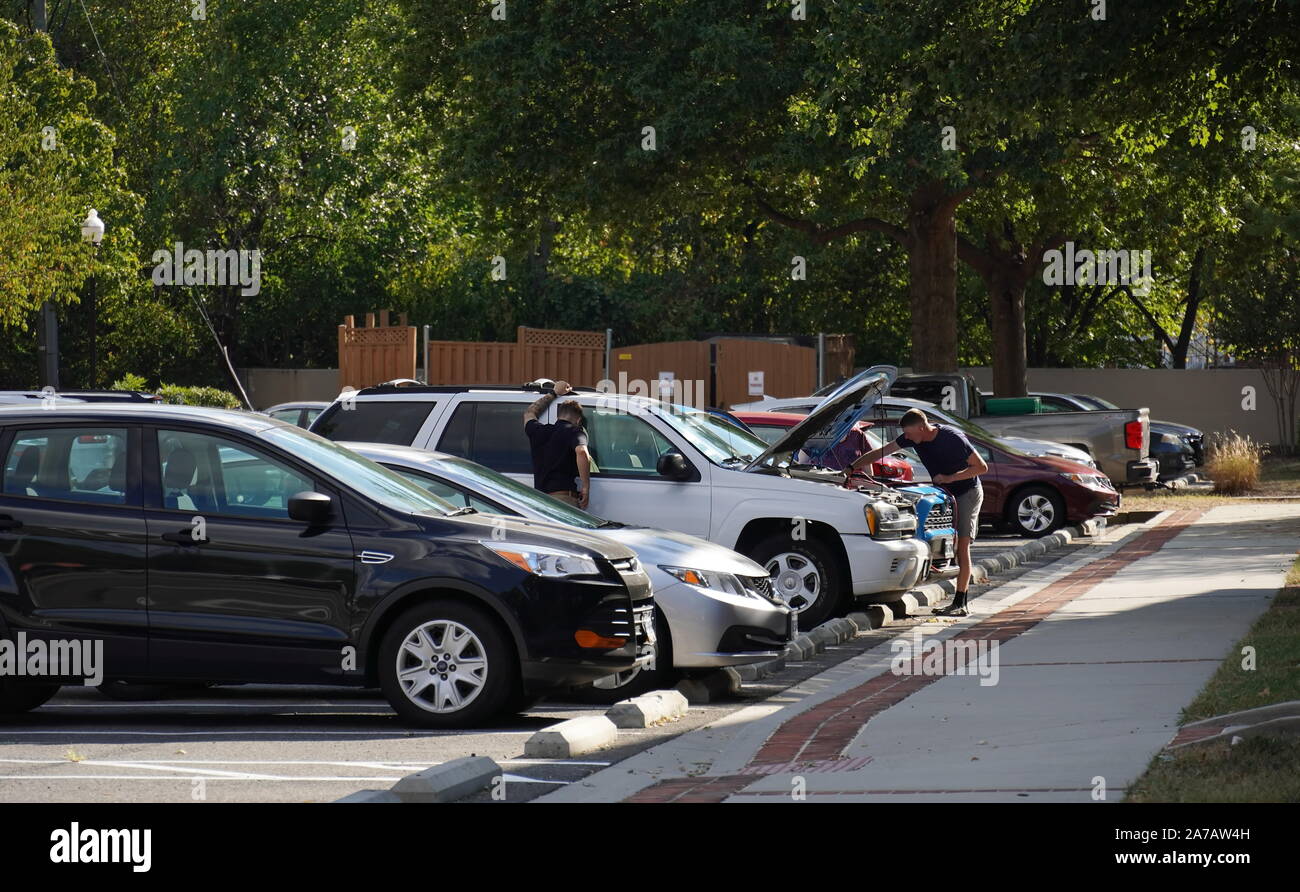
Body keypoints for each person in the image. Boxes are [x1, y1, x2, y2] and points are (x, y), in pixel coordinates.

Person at [844, 408, 988, 616]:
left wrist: (950, 478)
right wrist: (851, 468)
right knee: (944, 542)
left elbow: (981, 467)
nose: (906, 438)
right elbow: (881, 452)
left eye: (909, 433)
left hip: (968, 492)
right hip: (945, 494)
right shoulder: (913, 438)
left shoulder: (952, 438)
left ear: (922, 427)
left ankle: (961, 602)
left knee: (962, 546)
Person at [522, 380, 591, 508]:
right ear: (579, 420)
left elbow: (529, 413)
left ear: (558, 416)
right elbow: (582, 452)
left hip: (541, 501)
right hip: (564, 500)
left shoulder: (538, 431)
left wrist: (553, 393)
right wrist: (586, 488)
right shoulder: (575, 431)